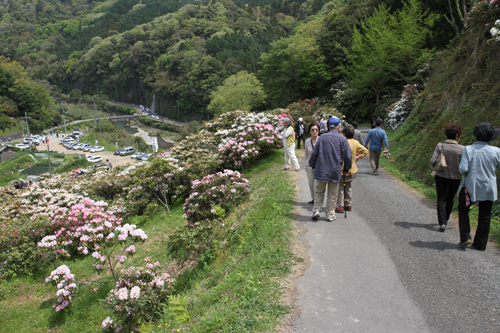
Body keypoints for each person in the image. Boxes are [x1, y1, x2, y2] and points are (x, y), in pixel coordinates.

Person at [457, 123, 500, 250]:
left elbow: (463, 169)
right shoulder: (496, 151)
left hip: (470, 186)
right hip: (488, 186)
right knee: (485, 215)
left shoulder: (469, 149)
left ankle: (465, 237)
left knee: (463, 209)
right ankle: (480, 244)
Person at [309, 117, 352, 222]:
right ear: (339, 127)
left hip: (321, 169)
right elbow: (348, 156)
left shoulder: (322, 137)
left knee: (319, 191)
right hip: (334, 170)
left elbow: (315, 153)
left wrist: (312, 164)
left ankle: (317, 210)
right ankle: (330, 214)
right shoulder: (343, 139)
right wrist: (346, 168)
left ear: (328, 126)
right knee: (332, 194)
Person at [430, 124, 464, 232]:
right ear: (458, 135)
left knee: (441, 198)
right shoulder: (463, 149)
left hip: (441, 175)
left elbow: (432, 161)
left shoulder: (440, 146)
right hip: (456, 177)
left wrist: (438, 166)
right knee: (450, 198)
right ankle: (446, 219)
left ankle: (442, 222)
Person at [335, 125, 368, 213]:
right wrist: (358, 157)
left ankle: (340, 205)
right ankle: (348, 204)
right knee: (348, 187)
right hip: (351, 169)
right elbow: (365, 151)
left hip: (341, 169)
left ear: (344, 134)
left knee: (340, 188)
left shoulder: (341, 141)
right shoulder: (355, 142)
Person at [304, 123, 320, 204]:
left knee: (318, 184)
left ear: (319, 131)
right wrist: (306, 165)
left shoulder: (321, 140)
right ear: (310, 131)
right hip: (310, 165)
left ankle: (318, 199)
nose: (314, 131)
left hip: (319, 165)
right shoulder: (307, 141)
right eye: (312, 130)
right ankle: (314, 198)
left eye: (316, 130)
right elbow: (306, 154)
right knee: (311, 182)